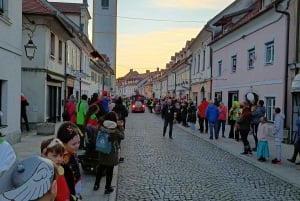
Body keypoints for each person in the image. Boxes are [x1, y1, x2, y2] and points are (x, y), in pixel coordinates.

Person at [93, 112, 125, 194]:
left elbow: (95, 137)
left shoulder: (101, 127)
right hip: (111, 152)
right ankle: (107, 188)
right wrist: (121, 127)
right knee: (110, 171)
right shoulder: (115, 129)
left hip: (102, 150)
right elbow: (122, 136)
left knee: (100, 168)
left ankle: (96, 184)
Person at [56, 122, 82, 200]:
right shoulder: (60, 161)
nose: (77, 146)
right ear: (63, 144)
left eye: (79, 142)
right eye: (73, 144)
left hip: (76, 189)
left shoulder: (72, 153)